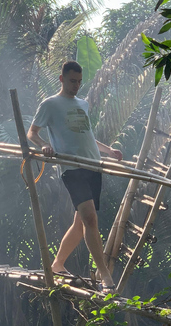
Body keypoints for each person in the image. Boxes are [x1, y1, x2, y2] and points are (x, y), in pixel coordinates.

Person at [27, 60, 122, 290]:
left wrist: (108, 150)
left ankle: (57, 264)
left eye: (79, 82)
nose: (75, 86)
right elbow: (32, 132)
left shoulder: (83, 104)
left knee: (81, 224)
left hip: (93, 166)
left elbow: (86, 135)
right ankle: (105, 276)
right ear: (62, 79)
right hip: (72, 169)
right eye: (72, 81)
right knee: (90, 219)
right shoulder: (50, 104)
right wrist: (43, 146)